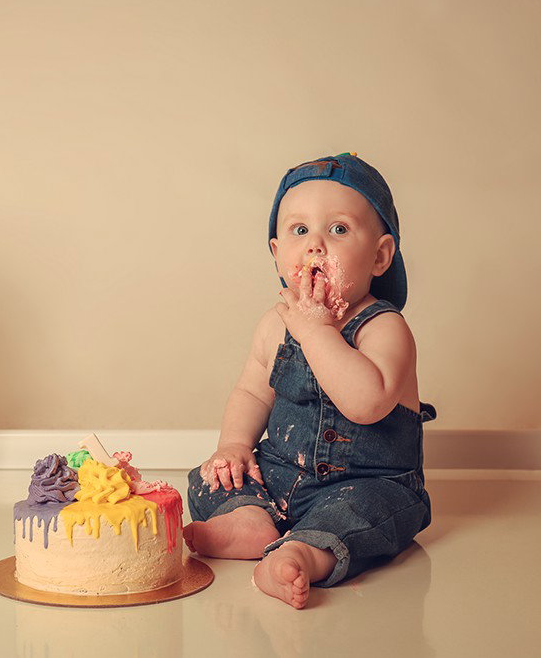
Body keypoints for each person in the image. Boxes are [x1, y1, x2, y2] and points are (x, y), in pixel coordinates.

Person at [182, 153, 436, 609]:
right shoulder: (274, 324)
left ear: (380, 256)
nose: (316, 245)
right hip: (280, 476)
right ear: (279, 255)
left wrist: (317, 331)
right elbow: (250, 390)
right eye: (300, 231)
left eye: (338, 229)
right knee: (212, 477)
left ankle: (303, 553)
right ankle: (249, 518)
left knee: (371, 512)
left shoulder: (383, 328)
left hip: (365, 482)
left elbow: (366, 403)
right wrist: (235, 445)